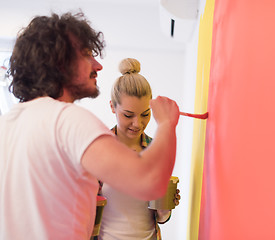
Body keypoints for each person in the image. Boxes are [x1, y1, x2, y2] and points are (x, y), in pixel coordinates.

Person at [0, 12, 179, 240]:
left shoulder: (6, 124)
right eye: (87, 55)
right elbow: (149, 182)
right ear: (60, 63)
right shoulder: (68, 120)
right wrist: (166, 123)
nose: (98, 65)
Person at [98, 58, 180, 240]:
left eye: (145, 114)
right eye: (128, 115)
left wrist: (165, 207)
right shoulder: (98, 149)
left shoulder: (156, 148)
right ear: (112, 106)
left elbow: (161, 217)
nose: (138, 124)